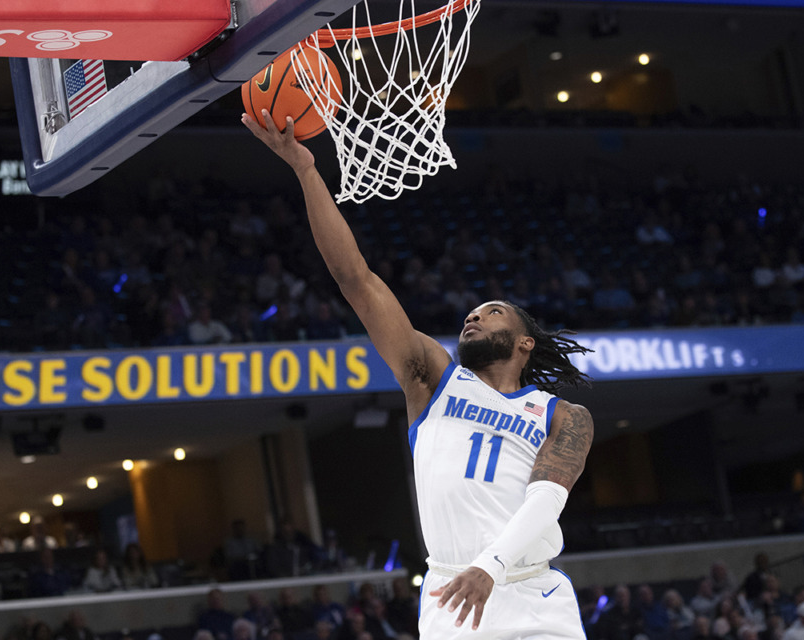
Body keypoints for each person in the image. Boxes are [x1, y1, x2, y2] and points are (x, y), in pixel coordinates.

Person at [244, 110, 594, 638]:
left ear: (525, 341)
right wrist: (306, 171)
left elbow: (545, 501)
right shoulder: (431, 379)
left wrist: (491, 567)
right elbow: (355, 279)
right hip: (451, 593)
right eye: (471, 312)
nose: (474, 315)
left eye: (493, 310)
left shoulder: (562, 415)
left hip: (530, 592)